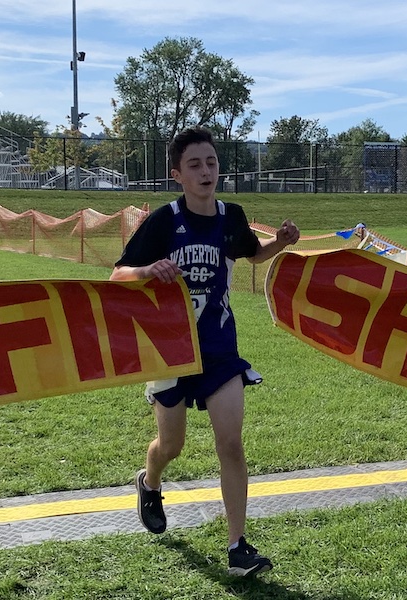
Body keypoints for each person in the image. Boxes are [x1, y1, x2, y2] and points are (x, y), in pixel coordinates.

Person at [111, 126, 300, 576]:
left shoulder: (231, 216)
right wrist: (145, 271)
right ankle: (150, 480)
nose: (205, 171)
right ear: (177, 173)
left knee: (231, 443)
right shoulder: (163, 220)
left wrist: (282, 243)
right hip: (169, 351)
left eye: (211, 162)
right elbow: (116, 275)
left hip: (218, 347)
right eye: (194, 164)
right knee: (171, 445)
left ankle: (238, 548)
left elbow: (253, 253)